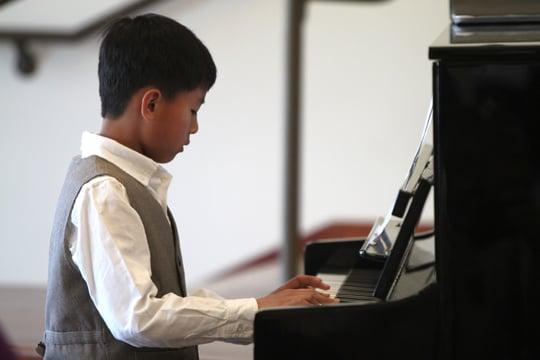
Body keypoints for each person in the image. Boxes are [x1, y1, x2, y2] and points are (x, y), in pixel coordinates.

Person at [38, 13, 337, 360]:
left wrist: (265, 308)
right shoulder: (104, 191)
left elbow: (162, 298)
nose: (194, 128)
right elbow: (138, 318)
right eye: (193, 110)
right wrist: (256, 308)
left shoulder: (125, 183)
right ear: (151, 104)